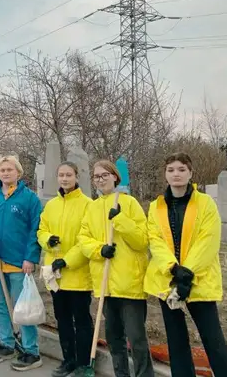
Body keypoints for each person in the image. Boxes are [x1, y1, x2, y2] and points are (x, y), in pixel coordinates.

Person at [144, 152, 227, 377]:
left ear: (190, 173)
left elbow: (208, 241)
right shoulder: (155, 207)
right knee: (176, 342)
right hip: (168, 282)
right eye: (171, 170)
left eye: (181, 169)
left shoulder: (205, 203)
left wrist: (186, 275)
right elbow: (156, 241)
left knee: (213, 341)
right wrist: (173, 269)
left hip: (198, 281)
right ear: (165, 175)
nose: (176, 174)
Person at [78, 160, 155, 377]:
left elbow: (142, 240)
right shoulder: (91, 208)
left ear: (115, 177)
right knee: (114, 338)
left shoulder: (129, 203)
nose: (100, 179)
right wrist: (99, 250)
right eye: (96, 176)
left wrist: (119, 219)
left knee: (137, 338)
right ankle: (121, 374)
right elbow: (83, 239)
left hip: (128, 283)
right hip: (105, 284)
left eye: (104, 175)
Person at [0, 155, 43, 371]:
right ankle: (6, 342)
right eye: (2, 170)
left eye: (9, 170)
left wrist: (30, 257)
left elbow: (35, 229)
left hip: (18, 262)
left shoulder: (29, 199)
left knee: (23, 308)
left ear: (18, 173)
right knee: (0, 305)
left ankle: (31, 350)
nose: (5, 173)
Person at [37, 161, 94, 377]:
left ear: (76, 177)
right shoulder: (51, 205)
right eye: (61, 175)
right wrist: (46, 240)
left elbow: (86, 239)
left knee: (81, 320)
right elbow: (41, 229)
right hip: (56, 276)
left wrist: (67, 260)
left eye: (69, 174)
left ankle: (84, 363)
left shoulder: (88, 204)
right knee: (62, 319)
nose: (64, 178)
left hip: (77, 274)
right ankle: (68, 359)